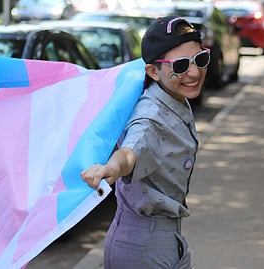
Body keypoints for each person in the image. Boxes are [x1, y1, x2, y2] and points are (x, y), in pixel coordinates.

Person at [80, 15, 210, 269]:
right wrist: (111, 169)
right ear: (153, 71)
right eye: (181, 65)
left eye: (200, 59)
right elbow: (131, 151)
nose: (194, 72)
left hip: (164, 238)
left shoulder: (172, 97)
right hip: (142, 247)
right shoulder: (151, 117)